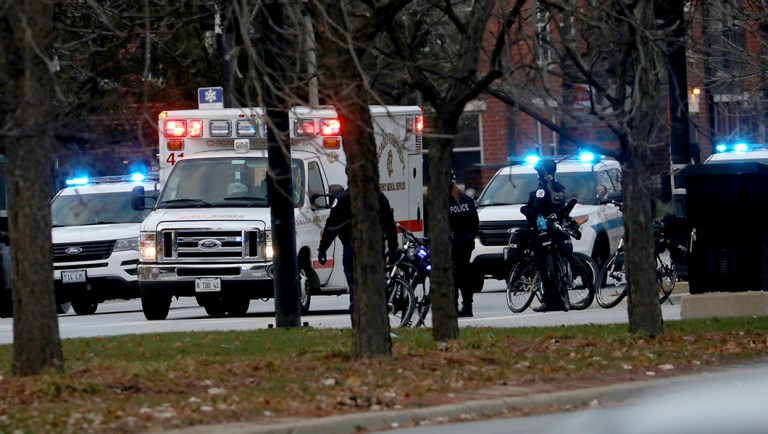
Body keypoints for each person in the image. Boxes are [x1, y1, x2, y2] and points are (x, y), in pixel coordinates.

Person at [317, 185, 398, 325]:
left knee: (356, 293)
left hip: (352, 251)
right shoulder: (379, 197)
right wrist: (392, 251)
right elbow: (390, 227)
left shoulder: (343, 199)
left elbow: (332, 226)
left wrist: (323, 248)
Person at [520, 158, 570, 312]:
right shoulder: (559, 187)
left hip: (543, 230)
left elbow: (537, 211)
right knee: (557, 262)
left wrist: (524, 210)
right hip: (557, 228)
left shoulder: (542, 190)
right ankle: (562, 296)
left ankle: (548, 300)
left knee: (541, 265)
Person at [448, 172, 480, 317]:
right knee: (464, 275)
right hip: (466, 243)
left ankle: (453, 307)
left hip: (452, 243)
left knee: (453, 276)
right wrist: (470, 238)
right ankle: (467, 306)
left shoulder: (443, 202)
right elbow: (475, 223)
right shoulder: (467, 200)